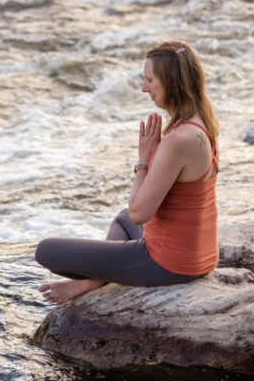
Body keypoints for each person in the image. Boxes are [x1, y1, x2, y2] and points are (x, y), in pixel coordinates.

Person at [35, 41, 219, 305]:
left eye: (150, 80)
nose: (144, 88)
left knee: (46, 250)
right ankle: (96, 279)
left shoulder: (178, 139)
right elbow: (135, 216)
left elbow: (139, 213)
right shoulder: (203, 124)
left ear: (174, 84)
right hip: (200, 256)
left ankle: (92, 280)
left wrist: (143, 161)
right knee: (122, 221)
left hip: (169, 264)